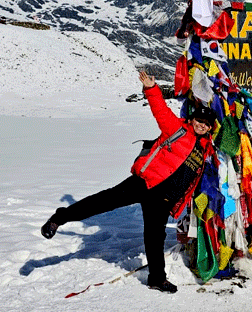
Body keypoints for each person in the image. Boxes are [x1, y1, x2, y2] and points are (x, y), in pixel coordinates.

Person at [40, 70, 217, 293]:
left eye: (207, 123)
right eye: (199, 120)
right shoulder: (178, 129)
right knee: (102, 202)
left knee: (155, 237)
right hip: (144, 182)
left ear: (210, 128)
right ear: (192, 119)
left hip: (164, 199)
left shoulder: (205, 151)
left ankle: (157, 279)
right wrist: (151, 89)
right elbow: (160, 110)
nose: (202, 125)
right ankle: (59, 218)